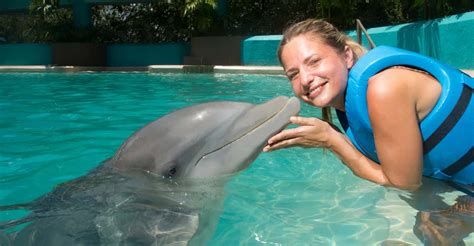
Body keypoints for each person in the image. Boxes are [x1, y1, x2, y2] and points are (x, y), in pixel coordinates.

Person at [263, 18, 473, 245]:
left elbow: (405, 184)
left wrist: (331, 140)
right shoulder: (351, 103)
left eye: (314, 62)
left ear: (347, 56)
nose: (304, 79)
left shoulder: (384, 89)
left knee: (433, 228)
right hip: (465, 185)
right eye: (293, 74)